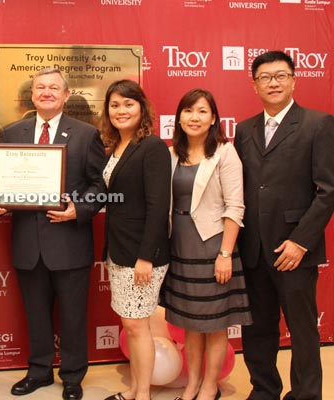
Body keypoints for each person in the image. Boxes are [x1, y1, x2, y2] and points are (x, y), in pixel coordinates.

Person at [0, 67, 106, 400]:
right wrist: (1, 199)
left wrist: (79, 209)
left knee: (73, 316)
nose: (46, 92)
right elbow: (4, 181)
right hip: (28, 242)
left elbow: (99, 186)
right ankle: (39, 372)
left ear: (66, 95)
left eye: (54, 88)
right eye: (40, 87)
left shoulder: (87, 134)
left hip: (70, 241)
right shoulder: (12, 132)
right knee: (36, 314)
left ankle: (72, 377)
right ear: (31, 95)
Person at [234, 50, 334, 400]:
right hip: (253, 249)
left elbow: (328, 191)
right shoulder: (244, 130)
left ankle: (306, 395)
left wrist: (301, 242)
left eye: (280, 75)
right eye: (265, 77)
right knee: (258, 328)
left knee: (303, 330)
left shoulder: (318, 124)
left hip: (294, 249)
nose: (273, 82)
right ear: (255, 85)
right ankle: (263, 389)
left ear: (293, 79)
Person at [162, 89, 252, 400]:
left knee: (215, 323)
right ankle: (192, 384)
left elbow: (235, 207)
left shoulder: (225, 152)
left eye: (202, 111)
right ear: (179, 117)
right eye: (188, 111)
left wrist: (225, 253)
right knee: (190, 322)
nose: (194, 117)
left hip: (213, 246)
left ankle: (210, 387)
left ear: (214, 117)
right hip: (180, 246)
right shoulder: (172, 152)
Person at [100, 80, 171, 400]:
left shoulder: (152, 146)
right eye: (114, 105)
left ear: (142, 107)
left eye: (128, 104)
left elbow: (159, 206)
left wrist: (146, 256)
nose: (121, 110)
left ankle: (141, 395)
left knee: (137, 326)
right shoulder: (114, 147)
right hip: (119, 249)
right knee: (133, 325)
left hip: (141, 252)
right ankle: (136, 389)